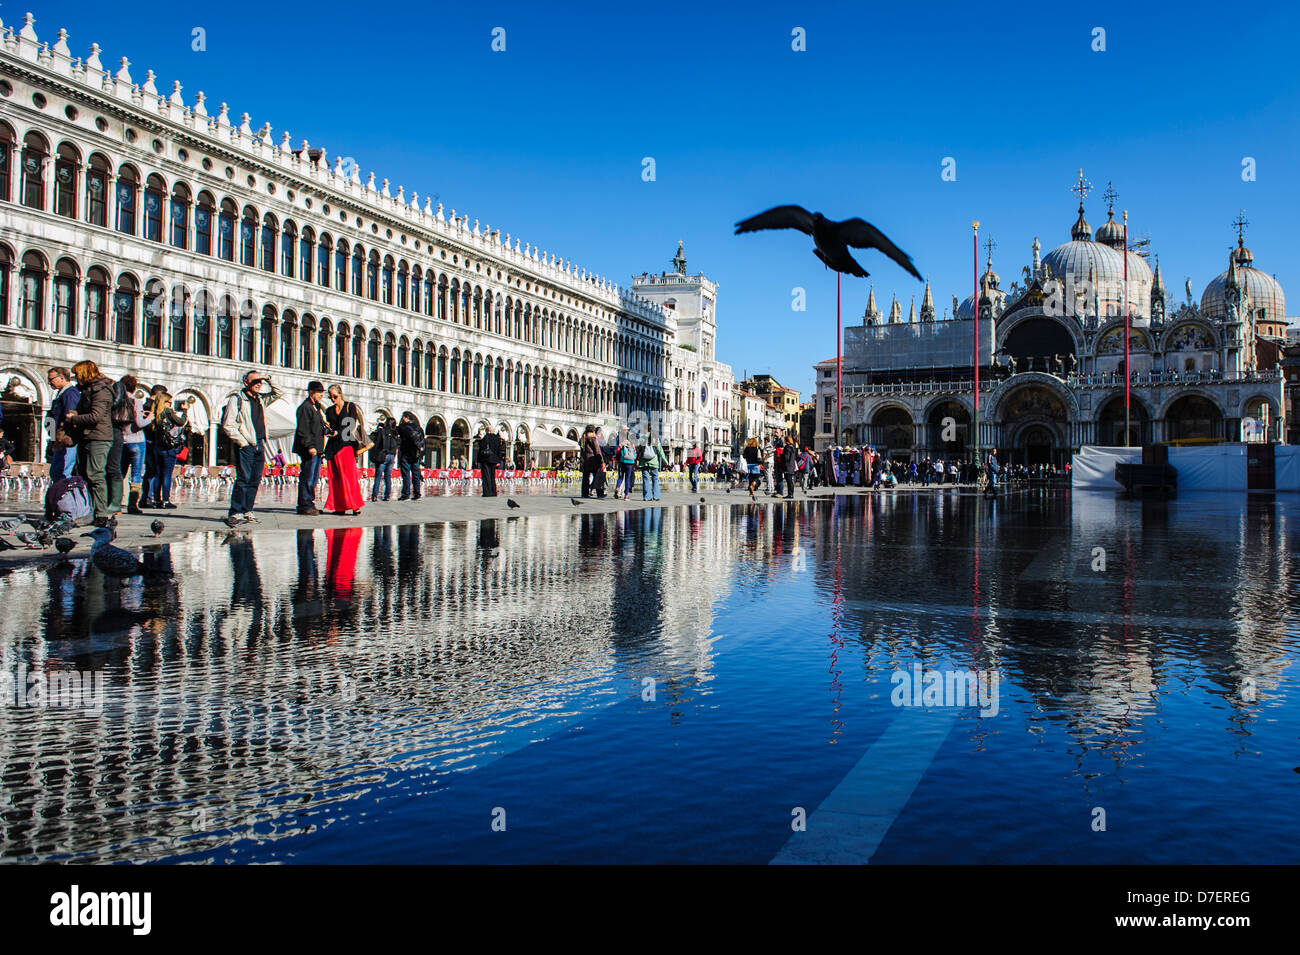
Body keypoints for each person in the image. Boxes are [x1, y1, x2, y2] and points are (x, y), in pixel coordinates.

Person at [220, 369, 282, 527]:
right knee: (243, 479)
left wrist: (267, 378)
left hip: (260, 444)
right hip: (247, 445)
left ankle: (247, 509)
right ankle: (235, 512)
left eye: (260, 382)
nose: (258, 384)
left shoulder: (260, 399)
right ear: (245, 382)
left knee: (255, 479)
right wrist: (242, 442)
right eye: (255, 381)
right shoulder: (237, 399)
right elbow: (228, 425)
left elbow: (278, 393)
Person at [64, 360, 115, 526]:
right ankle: (92, 511)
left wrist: (74, 418)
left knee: (96, 474)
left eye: (77, 374)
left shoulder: (101, 390)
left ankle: (101, 514)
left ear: (85, 373)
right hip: (89, 435)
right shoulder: (89, 389)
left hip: (99, 437)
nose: (76, 378)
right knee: (87, 474)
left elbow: (96, 416)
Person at [322, 384, 367, 516]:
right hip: (333, 446)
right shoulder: (329, 410)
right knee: (336, 478)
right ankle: (339, 506)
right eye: (330, 397)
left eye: (335, 396)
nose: (332, 399)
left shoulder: (349, 406)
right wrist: (329, 430)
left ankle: (355, 505)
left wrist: (337, 432)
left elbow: (350, 426)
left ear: (340, 394)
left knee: (349, 476)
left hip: (346, 444)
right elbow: (330, 425)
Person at [117, 375, 152, 515]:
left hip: (122, 440)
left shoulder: (117, 401)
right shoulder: (135, 401)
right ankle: (132, 504)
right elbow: (139, 423)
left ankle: (116, 502)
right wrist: (149, 418)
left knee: (120, 472)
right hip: (137, 441)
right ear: (134, 387)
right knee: (136, 474)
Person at [144, 391, 186, 509]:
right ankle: (166, 500)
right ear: (165, 402)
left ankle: (156, 500)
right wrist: (185, 411)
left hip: (157, 447)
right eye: (169, 402)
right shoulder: (167, 412)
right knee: (167, 475)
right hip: (168, 448)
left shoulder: (155, 413)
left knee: (158, 475)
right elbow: (181, 422)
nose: (170, 405)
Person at [292, 380, 327, 515]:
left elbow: (317, 427)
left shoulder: (316, 407)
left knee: (314, 476)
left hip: (317, 449)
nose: (321, 395)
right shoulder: (305, 407)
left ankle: (310, 501)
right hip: (310, 449)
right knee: (307, 476)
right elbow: (303, 430)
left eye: (322, 393)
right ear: (311, 392)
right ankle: (304, 504)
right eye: (319, 392)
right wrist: (310, 446)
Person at [44, 367, 80, 481]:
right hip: (58, 439)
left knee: (62, 472)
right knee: (56, 471)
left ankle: (64, 497)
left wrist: (61, 437)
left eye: (51, 379)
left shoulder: (70, 394)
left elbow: (70, 418)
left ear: (61, 378)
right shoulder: (61, 394)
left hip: (65, 440)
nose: (49, 382)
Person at [396, 411, 425, 500]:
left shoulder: (403, 427)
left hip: (406, 453)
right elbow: (423, 441)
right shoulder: (418, 428)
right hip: (416, 454)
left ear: (406, 418)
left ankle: (406, 494)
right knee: (416, 474)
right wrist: (422, 454)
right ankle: (417, 494)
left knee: (406, 474)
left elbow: (395, 430)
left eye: (403, 417)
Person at [370, 418, 398, 501]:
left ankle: (375, 496)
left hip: (383, 455)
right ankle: (387, 496)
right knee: (388, 477)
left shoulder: (381, 431)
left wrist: (374, 454)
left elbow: (377, 443)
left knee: (378, 476)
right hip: (391, 456)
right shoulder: (395, 433)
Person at [476, 425, 504, 497]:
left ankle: (487, 492)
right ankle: (493, 492)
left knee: (486, 476)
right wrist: (498, 461)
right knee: (492, 476)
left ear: (487, 430)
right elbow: (499, 450)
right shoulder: (497, 439)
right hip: (494, 460)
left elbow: (482, 448)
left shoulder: (486, 437)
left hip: (486, 459)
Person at [638, 433, 667, 501]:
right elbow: (660, 451)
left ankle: (647, 497)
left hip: (643, 462)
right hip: (654, 462)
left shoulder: (641, 438)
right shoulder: (655, 439)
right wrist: (665, 461)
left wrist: (637, 460)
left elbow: (638, 450)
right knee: (655, 479)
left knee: (646, 479)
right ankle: (656, 496)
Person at [579, 424, 604, 498]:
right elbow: (597, 450)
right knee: (598, 476)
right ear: (593, 431)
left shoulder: (583, 438)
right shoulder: (593, 438)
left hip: (585, 461)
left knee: (585, 478)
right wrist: (601, 461)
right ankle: (600, 493)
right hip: (593, 460)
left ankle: (584, 493)